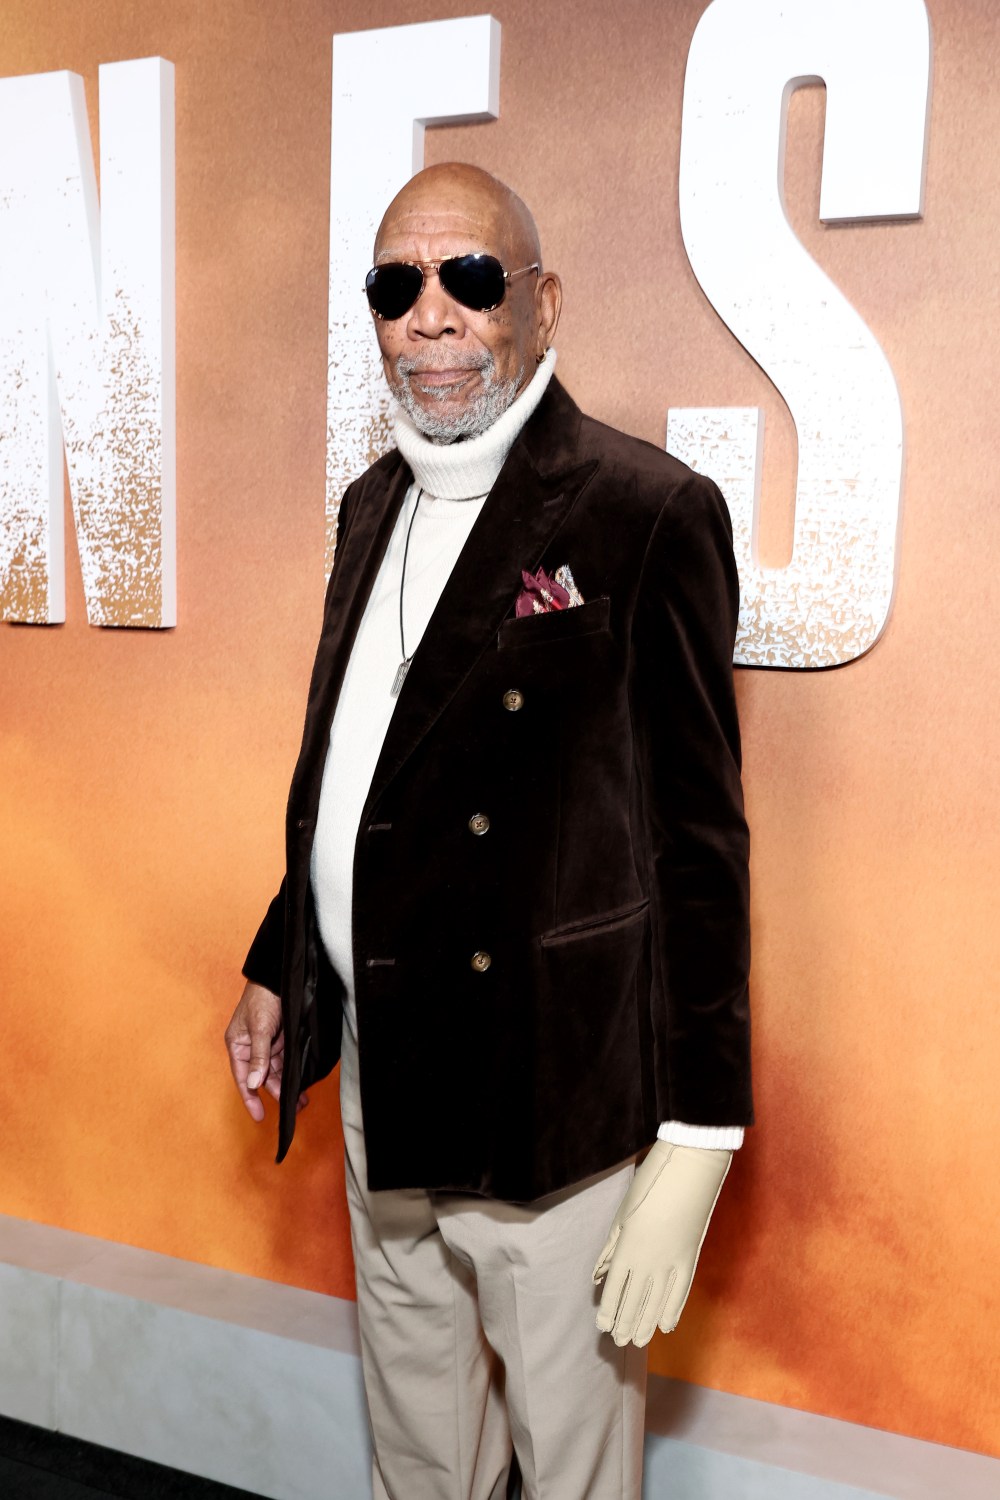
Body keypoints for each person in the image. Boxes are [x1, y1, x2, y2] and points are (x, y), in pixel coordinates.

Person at [224, 162, 752, 1500]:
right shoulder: (368, 507)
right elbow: (364, 768)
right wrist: (284, 953)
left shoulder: (647, 514)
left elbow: (699, 846)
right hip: (383, 1072)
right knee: (418, 1443)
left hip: (549, 1097)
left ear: (538, 300)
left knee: (569, 1466)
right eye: (398, 287)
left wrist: (699, 1138)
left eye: (469, 279)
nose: (432, 317)